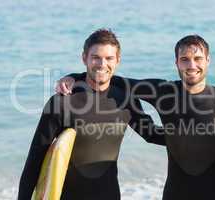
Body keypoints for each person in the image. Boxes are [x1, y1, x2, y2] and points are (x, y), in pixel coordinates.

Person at [56, 34, 215, 200]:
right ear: (176, 63)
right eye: (185, 59)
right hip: (175, 194)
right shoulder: (164, 92)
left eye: (198, 58)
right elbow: (113, 79)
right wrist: (74, 77)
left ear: (208, 60)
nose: (192, 65)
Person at [18, 29, 165, 200]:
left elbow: (151, 134)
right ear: (84, 58)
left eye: (109, 58)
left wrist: (196, 136)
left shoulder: (125, 99)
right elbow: (35, 160)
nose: (102, 64)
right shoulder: (62, 102)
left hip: (109, 195)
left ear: (118, 60)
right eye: (96, 57)